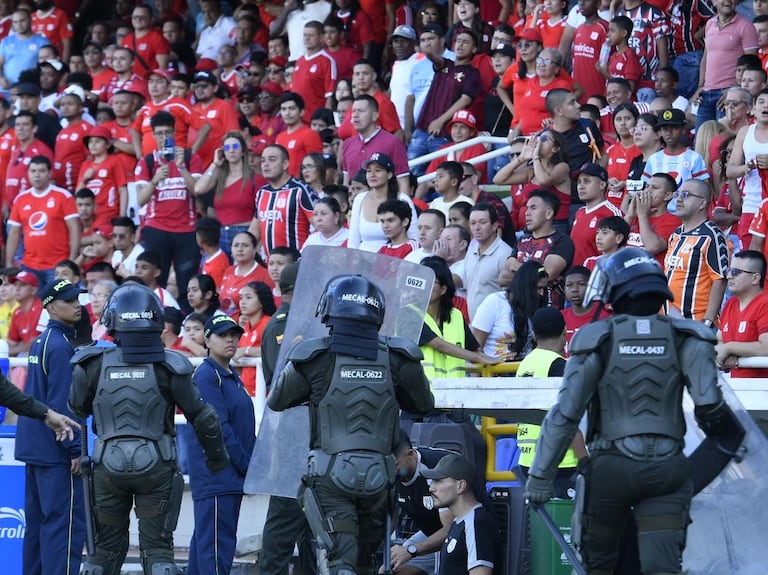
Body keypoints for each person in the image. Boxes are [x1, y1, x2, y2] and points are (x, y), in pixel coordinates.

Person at [524, 247, 737, 574]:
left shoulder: (596, 337)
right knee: (661, 567)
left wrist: (540, 477)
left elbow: (565, 414)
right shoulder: (687, 337)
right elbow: (710, 408)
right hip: (666, 468)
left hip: (611, 468)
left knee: (601, 566)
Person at [268, 275, 435, 575]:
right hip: (379, 477)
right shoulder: (399, 357)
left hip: (330, 474)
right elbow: (424, 404)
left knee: (340, 561)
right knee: (366, 564)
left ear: (328, 310)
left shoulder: (313, 356)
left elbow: (277, 400)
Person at [69, 283, 230, 575]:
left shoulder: (90, 365)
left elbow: (76, 408)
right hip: (157, 464)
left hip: (107, 465)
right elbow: (202, 417)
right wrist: (217, 458)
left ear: (112, 322)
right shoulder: (170, 366)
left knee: (103, 552)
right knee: (158, 552)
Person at [14, 278, 86, 575]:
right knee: (63, 529)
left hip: (35, 447)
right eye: (70, 301)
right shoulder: (60, 346)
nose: (77, 305)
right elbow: (62, 401)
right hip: (56, 452)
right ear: (52, 307)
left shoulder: (41, 341)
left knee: (37, 528)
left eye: (77, 300)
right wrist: (74, 449)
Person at [185, 314, 256, 575]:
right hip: (217, 476)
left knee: (207, 547)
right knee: (216, 552)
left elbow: (242, 426)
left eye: (234, 335)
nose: (230, 340)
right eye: (223, 335)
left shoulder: (229, 375)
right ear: (207, 340)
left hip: (228, 477)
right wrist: (248, 465)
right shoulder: (206, 375)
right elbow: (219, 428)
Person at [665, 178, 730, 322]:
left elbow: (720, 280)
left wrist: (707, 322)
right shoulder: (676, 234)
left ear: (702, 203)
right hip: (669, 320)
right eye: (677, 195)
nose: (679, 200)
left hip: (695, 323)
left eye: (686, 195)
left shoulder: (712, 235)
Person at [423, 454, 498, 575]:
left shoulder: (476, 522)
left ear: (460, 486)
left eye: (438, 481)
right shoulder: (459, 521)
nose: (431, 488)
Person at [247, 143, 317, 256]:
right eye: (263, 160)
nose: (266, 164)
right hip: (270, 266)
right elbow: (254, 231)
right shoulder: (262, 193)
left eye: (272, 159)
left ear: (285, 164)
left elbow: (320, 224)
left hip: (296, 264)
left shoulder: (300, 189)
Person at [716, 250, 768, 377]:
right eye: (729, 271)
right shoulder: (730, 304)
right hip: (738, 387)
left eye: (736, 272)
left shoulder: (765, 304)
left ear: (755, 278)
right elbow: (719, 341)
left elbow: (766, 348)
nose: (729, 276)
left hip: (762, 389)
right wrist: (727, 352)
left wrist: (730, 348)